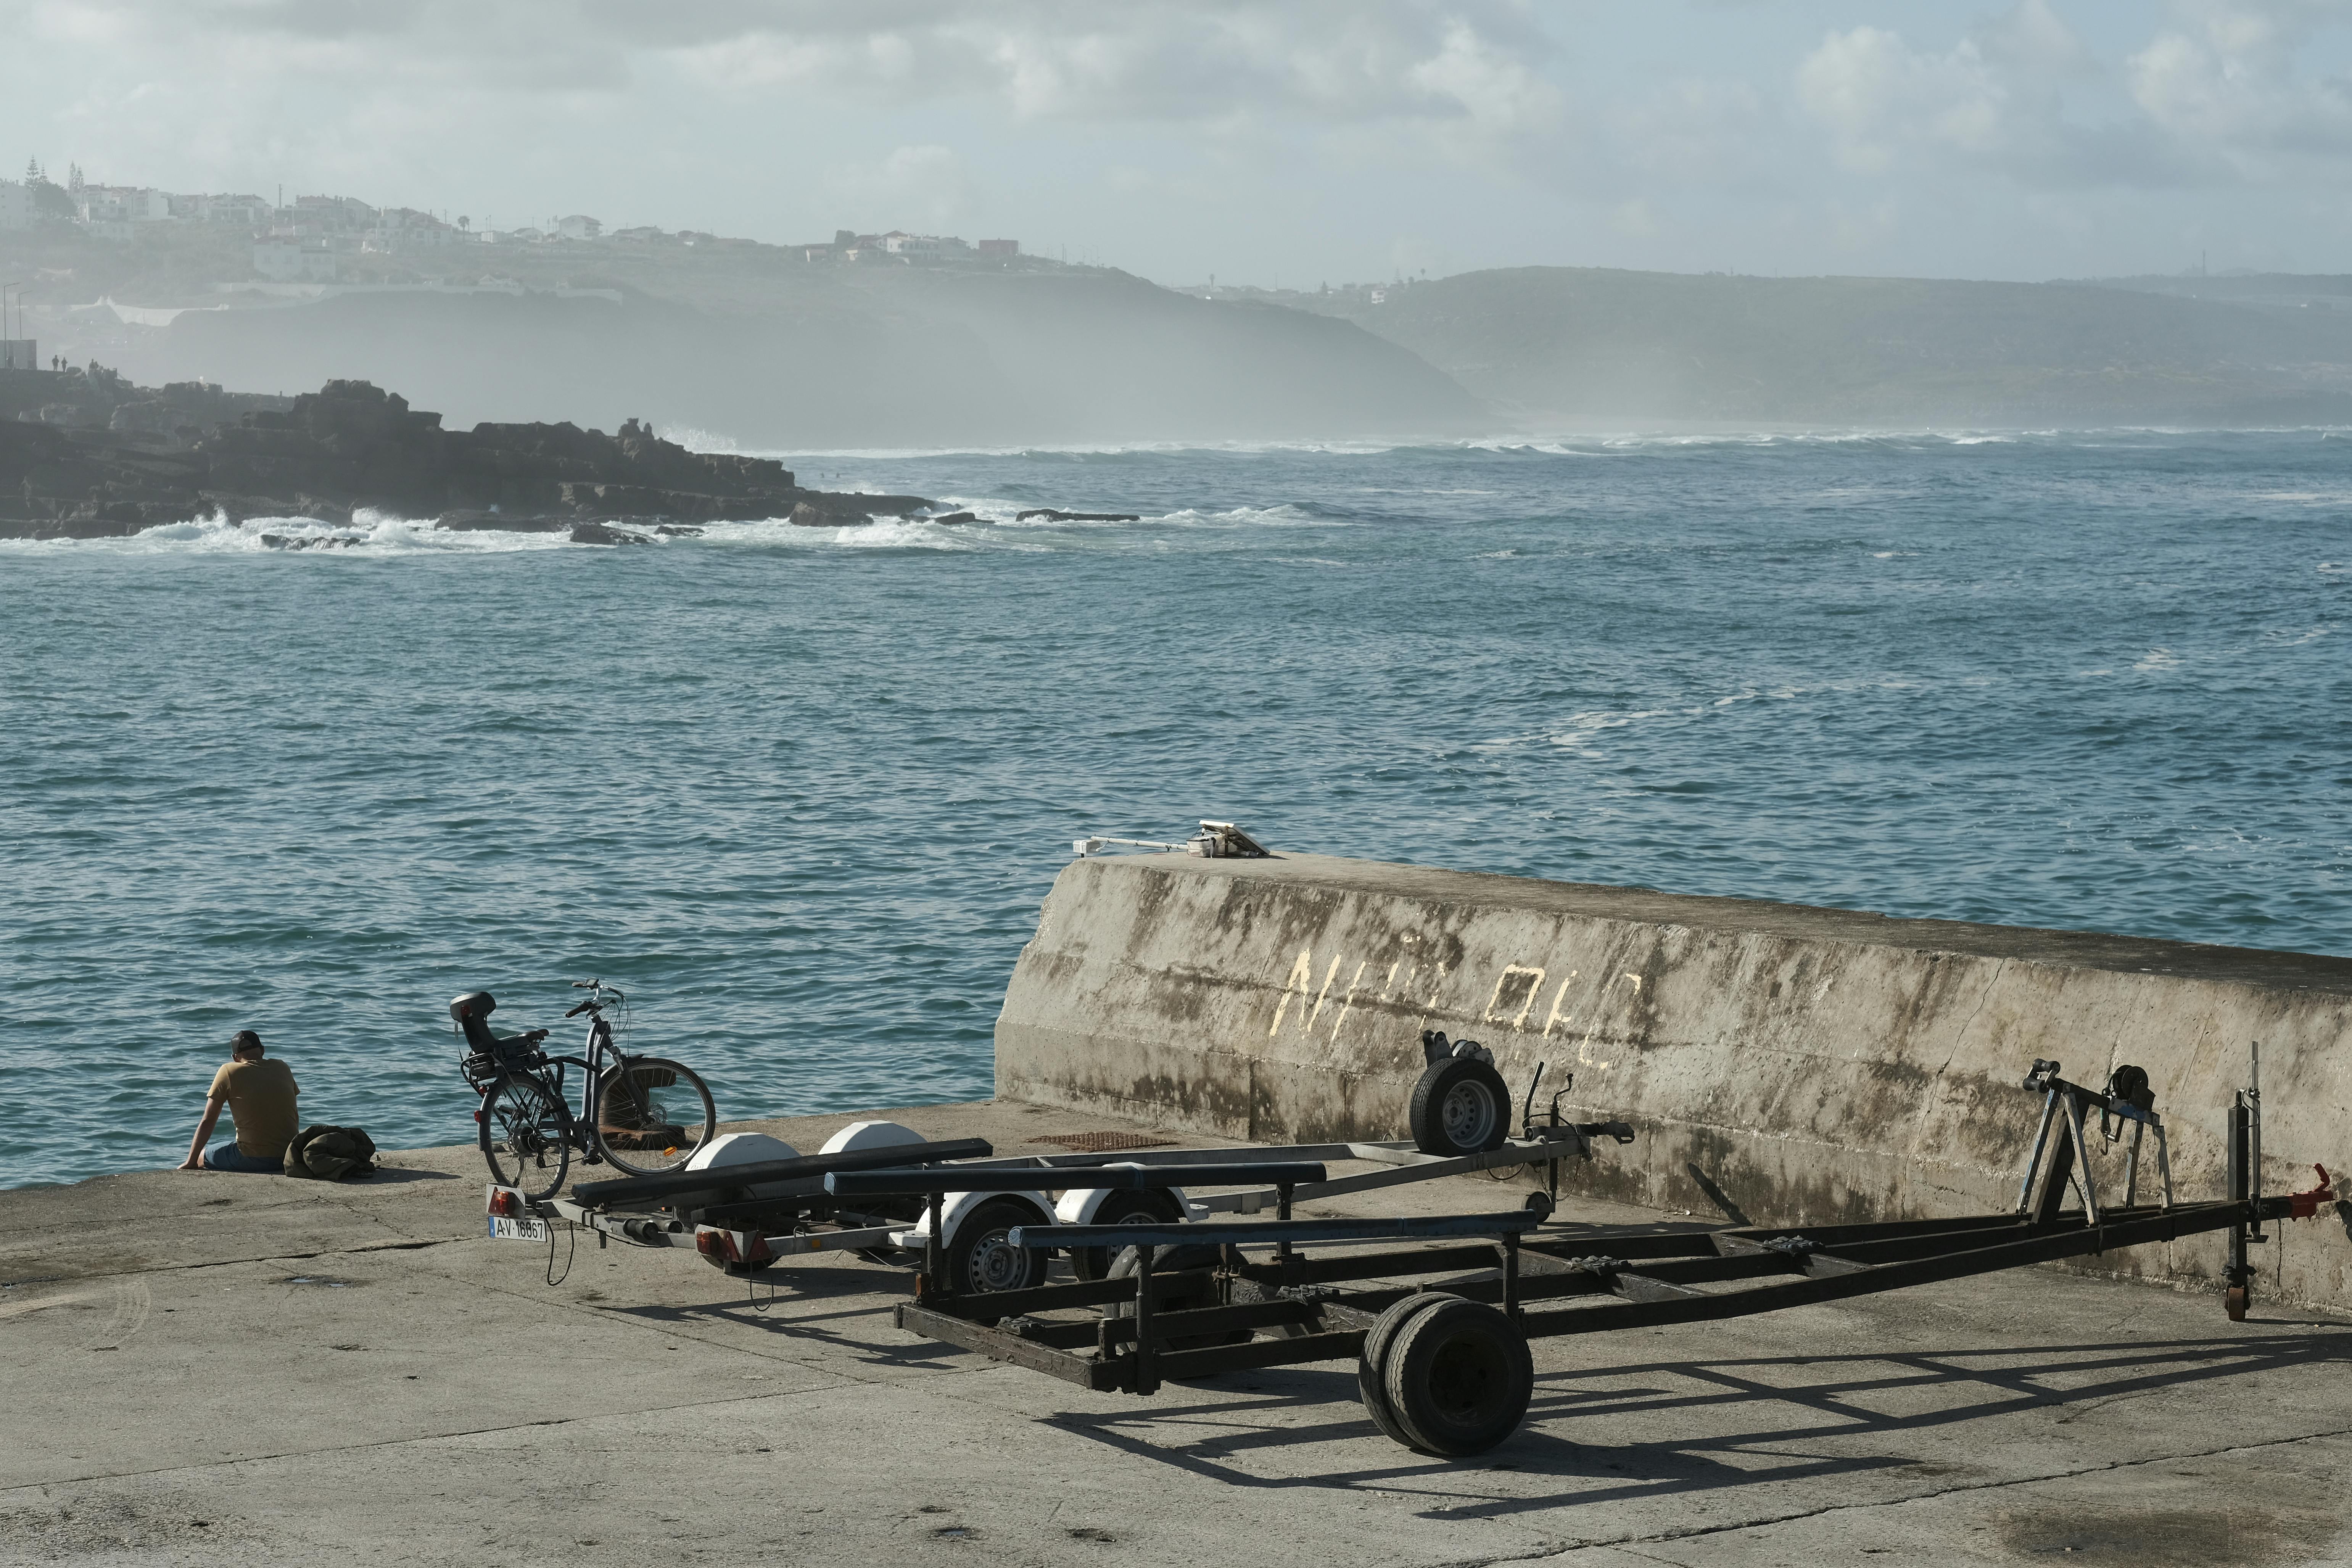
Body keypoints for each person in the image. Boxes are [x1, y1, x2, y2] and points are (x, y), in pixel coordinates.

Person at [177, 1030, 299, 1173]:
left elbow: (208, 1120)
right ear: (263, 1050)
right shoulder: (282, 1067)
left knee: (202, 1157)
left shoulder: (228, 1071)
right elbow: (291, 1112)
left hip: (253, 1159)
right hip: (289, 1156)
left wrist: (190, 1161)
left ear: (235, 1058)